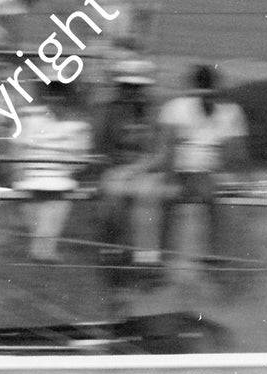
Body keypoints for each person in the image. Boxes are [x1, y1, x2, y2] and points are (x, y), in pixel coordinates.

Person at [155, 63, 247, 264]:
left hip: (209, 175)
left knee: (218, 196)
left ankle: (211, 256)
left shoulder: (229, 112)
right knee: (167, 198)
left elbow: (235, 155)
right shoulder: (176, 109)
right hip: (184, 174)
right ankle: (166, 257)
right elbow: (167, 151)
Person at [9, 82, 91, 262]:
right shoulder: (29, 116)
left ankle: (42, 251)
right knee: (45, 213)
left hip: (58, 178)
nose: (55, 100)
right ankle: (42, 251)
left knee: (53, 205)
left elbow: (79, 160)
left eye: (60, 95)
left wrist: (68, 168)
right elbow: (16, 147)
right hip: (32, 176)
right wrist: (18, 170)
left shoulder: (77, 124)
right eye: (52, 94)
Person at [93, 57, 160, 266]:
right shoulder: (108, 112)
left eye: (137, 87)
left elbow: (159, 151)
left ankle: (146, 257)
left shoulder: (154, 112)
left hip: (147, 169)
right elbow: (101, 146)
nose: (132, 91)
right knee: (113, 193)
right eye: (127, 86)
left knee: (147, 194)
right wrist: (117, 168)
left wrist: (137, 169)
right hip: (116, 168)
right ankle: (112, 249)